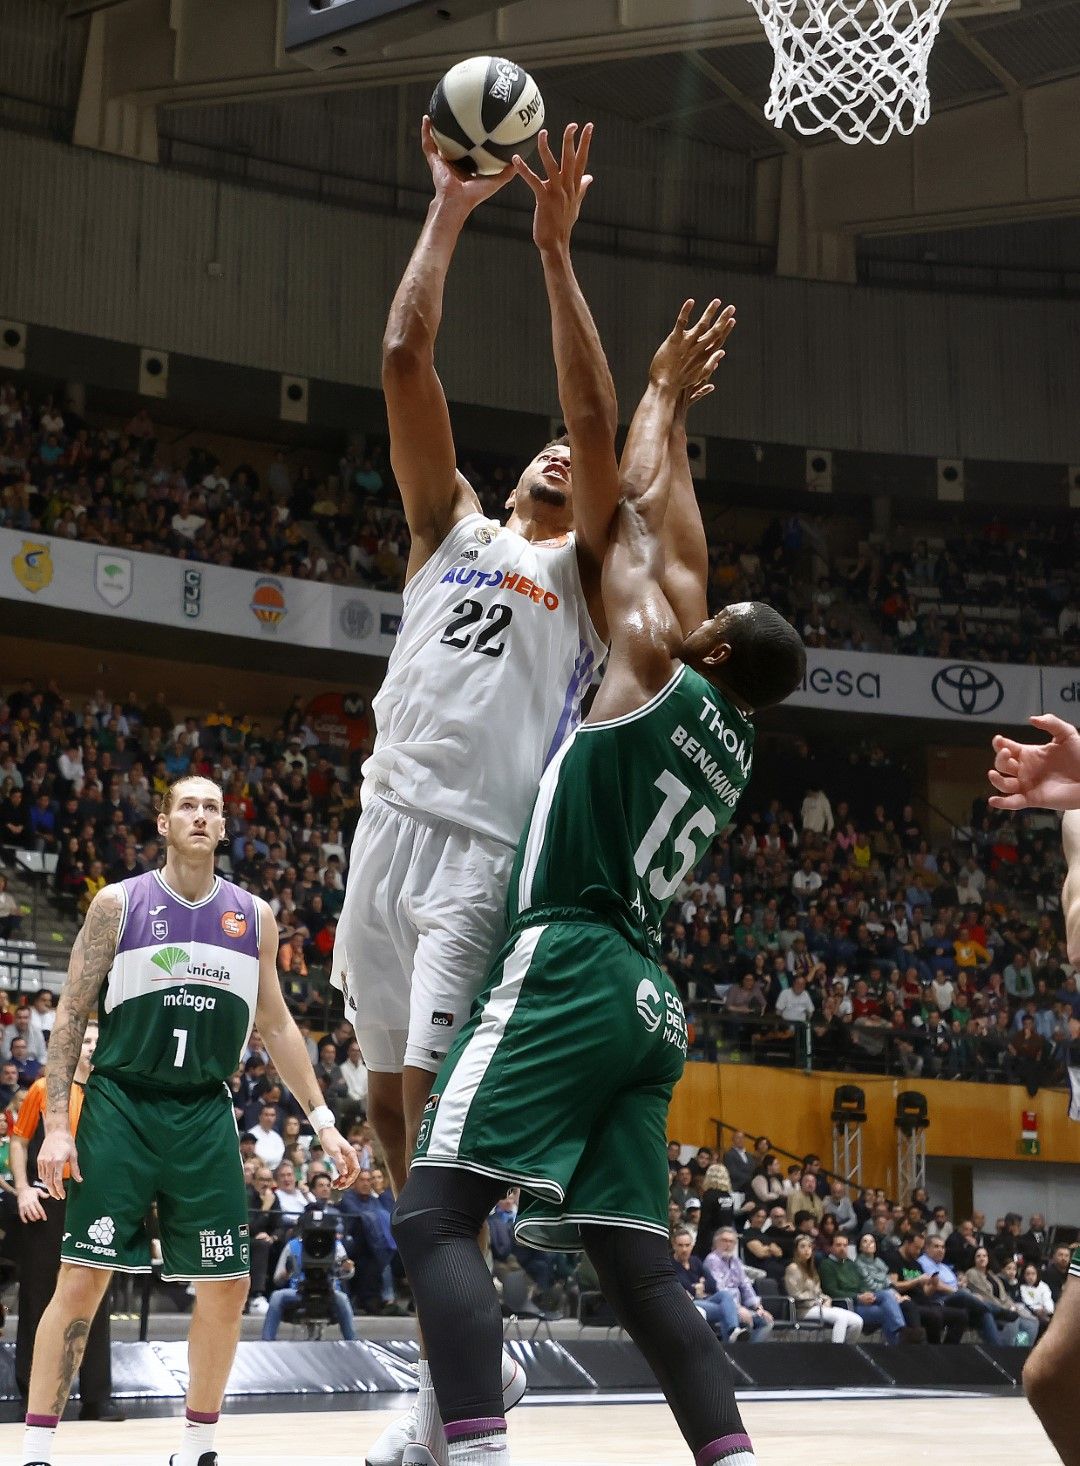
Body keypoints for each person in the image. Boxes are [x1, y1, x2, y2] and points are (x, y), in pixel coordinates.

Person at [393, 302, 803, 1466]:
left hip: (570, 955)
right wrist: (672, 426)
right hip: (649, 1002)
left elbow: (631, 530)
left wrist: (661, 402)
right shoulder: (732, 735)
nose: (690, 607)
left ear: (711, 649)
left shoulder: (647, 666)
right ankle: (733, 1456)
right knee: (641, 1266)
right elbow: (681, 557)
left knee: (433, 1212)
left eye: (707, 618)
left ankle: (472, 1448)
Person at [336, 118, 614, 1466]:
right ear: (509, 475)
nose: (559, 457)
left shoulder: (587, 578)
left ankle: (471, 1404)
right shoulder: (448, 531)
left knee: (442, 1139)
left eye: (573, 459)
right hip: (380, 833)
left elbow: (601, 429)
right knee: (392, 1119)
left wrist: (554, 256)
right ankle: (458, 1347)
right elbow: (403, 359)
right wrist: (450, 209)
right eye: (543, 452)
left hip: (476, 858)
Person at [20, 775, 359, 1466]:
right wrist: (58, 1123)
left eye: (212, 807)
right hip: (120, 1104)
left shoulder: (255, 917)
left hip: (204, 1109)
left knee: (230, 1285)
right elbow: (72, 1017)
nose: (200, 816)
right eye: (187, 806)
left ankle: (198, 1447)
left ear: (225, 828)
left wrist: (322, 1119)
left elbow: (278, 1024)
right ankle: (35, 1451)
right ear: (164, 823)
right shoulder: (119, 904)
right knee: (82, 1280)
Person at [11, 1022, 121, 1420]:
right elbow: (20, 1139)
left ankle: (96, 1398)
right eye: (86, 1040)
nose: (92, 1047)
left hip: (97, 1207)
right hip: (49, 1204)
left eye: (97, 1040)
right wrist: (23, 1188)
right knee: (38, 1298)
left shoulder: (110, 1095)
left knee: (96, 1298)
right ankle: (32, 1396)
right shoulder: (44, 1089)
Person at [260, 1214, 356, 1341]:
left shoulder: (336, 1246)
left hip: (329, 1290)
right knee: (277, 1297)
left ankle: (352, 1342)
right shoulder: (292, 1245)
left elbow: (347, 1274)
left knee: (343, 1299)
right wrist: (287, 1273)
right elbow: (277, 1279)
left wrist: (347, 1268)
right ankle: (267, 1341)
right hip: (299, 1290)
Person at [818, 1232, 907, 1344]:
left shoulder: (850, 1263)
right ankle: (899, 1341)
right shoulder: (826, 1265)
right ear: (831, 1247)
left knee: (887, 1295)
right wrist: (858, 1297)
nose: (842, 1248)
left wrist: (866, 1295)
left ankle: (900, 1334)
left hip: (861, 1299)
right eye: (838, 1245)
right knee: (886, 1312)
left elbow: (860, 1285)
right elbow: (831, 1291)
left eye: (845, 1245)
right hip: (846, 1304)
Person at [783, 1235, 863, 1342]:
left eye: (809, 1247)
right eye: (802, 1247)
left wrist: (826, 1298)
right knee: (841, 1318)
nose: (807, 1250)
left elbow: (818, 1292)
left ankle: (847, 1350)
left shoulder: (811, 1269)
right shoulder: (793, 1268)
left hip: (819, 1306)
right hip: (804, 1309)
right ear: (796, 1250)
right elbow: (795, 1295)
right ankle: (836, 1353)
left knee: (857, 1321)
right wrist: (817, 1301)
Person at [703, 1228, 774, 1341]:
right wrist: (738, 1308)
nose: (728, 1244)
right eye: (724, 1241)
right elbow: (719, 1288)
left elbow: (745, 1285)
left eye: (731, 1242)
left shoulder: (736, 1261)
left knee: (765, 1321)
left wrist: (758, 1308)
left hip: (739, 1305)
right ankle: (732, 1349)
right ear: (716, 1243)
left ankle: (750, 1353)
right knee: (739, 1317)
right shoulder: (712, 1260)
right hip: (719, 1303)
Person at [671, 1227, 739, 1341]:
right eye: (680, 1245)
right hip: (687, 1303)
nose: (684, 1249)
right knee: (725, 1309)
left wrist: (700, 1286)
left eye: (687, 1245)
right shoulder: (670, 1264)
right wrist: (699, 1285)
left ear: (692, 1245)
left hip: (704, 1299)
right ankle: (730, 1342)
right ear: (674, 1245)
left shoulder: (695, 1261)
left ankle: (734, 1330)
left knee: (725, 1295)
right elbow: (683, 1286)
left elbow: (713, 1284)